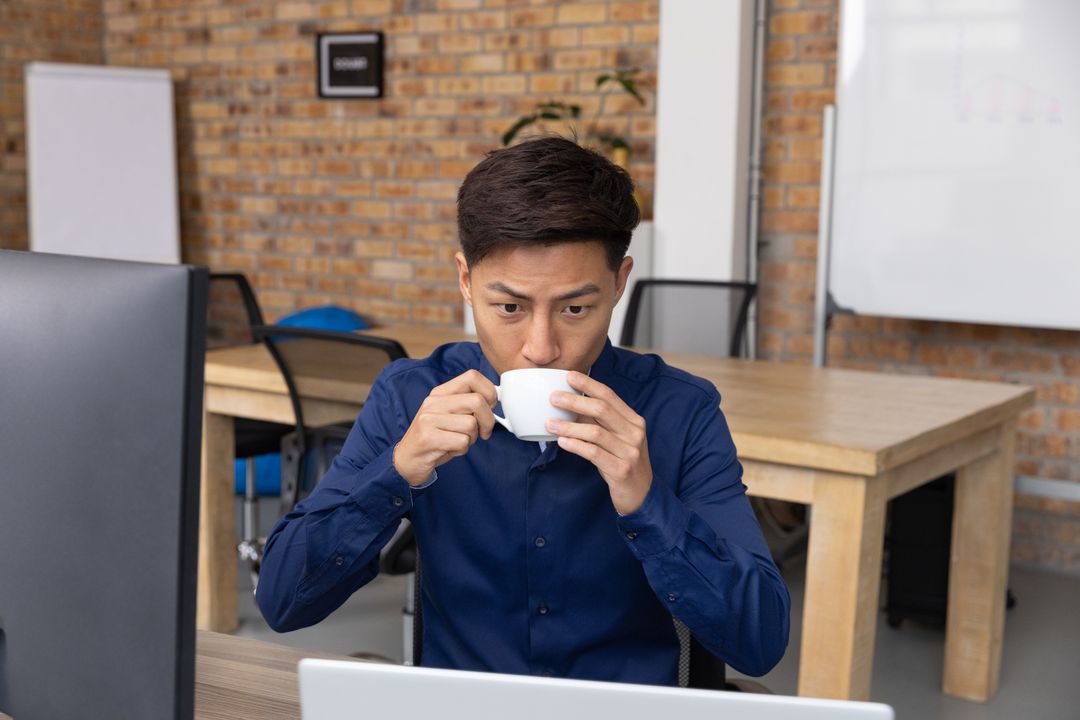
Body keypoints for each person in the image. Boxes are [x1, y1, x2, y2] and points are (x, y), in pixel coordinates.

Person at [256, 136, 790, 685]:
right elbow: (282, 601)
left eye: (575, 308)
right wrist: (395, 474)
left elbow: (760, 643)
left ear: (619, 283)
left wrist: (646, 502)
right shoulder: (410, 397)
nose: (540, 347)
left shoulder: (681, 411)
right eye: (509, 307)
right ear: (466, 281)